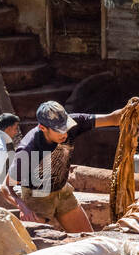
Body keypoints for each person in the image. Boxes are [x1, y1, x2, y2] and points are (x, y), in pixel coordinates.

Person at [8, 100, 127, 233]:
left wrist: (131, 111)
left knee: (88, 239)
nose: (64, 133)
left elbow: (113, 118)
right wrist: (24, 208)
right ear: (43, 128)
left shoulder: (73, 123)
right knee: (35, 245)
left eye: (65, 127)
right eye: (59, 130)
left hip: (62, 190)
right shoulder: (28, 149)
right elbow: (6, 187)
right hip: (37, 197)